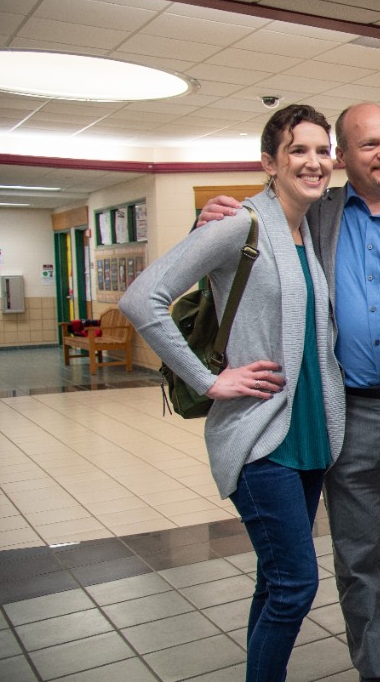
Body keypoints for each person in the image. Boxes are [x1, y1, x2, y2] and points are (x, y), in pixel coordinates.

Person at [197, 102, 380, 682]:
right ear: (342, 157)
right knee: (356, 564)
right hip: (346, 420)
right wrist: (209, 220)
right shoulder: (311, 214)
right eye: (369, 145)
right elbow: (244, 242)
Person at [122, 104, 346, 681]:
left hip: (311, 434)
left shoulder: (307, 228)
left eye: (323, 151)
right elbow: (142, 299)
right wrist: (209, 380)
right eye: (299, 150)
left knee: (275, 582)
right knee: (297, 584)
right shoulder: (239, 224)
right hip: (261, 439)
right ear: (269, 162)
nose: (314, 162)